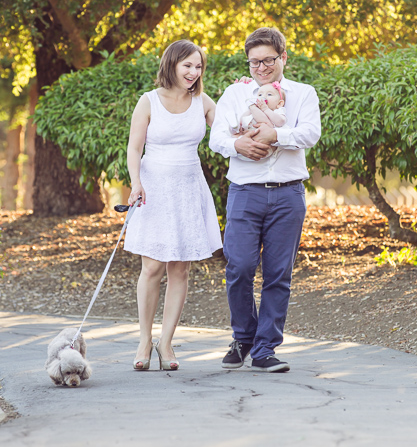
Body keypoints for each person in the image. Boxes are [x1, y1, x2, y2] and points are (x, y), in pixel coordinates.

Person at [209, 27, 321, 373]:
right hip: (245, 192)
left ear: (283, 58)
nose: (261, 68)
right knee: (239, 267)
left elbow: (310, 133)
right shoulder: (235, 93)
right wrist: (236, 145)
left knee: (278, 274)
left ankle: (264, 349)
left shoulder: (303, 94)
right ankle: (244, 336)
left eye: (268, 60)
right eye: (254, 62)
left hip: (288, 194)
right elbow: (217, 137)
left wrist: (278, 134)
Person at [123, 39, 221, 371]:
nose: (194, 73)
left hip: (189, 187)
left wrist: (252, 101)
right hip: (155, 187)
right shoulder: (148, 101)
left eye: (198, 67)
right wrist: (136, 182)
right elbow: (134, 149)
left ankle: (166, 343)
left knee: (179, 268)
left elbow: (228, 130)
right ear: (172, 64)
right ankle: (144, 340)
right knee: (151, 267)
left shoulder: (202, 101)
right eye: (188, 66)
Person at [236, 81, 286, 160]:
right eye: (260, 94)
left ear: (279, 103)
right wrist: (240, 125)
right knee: (235, 134)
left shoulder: (277, 111)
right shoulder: (255, 109)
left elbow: (280, 122)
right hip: (247, 143)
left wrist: (265, 109)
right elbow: (244, 117)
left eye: (269, 94)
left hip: (264, 146)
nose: (263, 97)